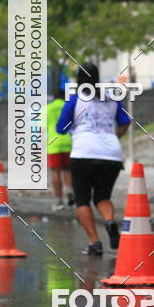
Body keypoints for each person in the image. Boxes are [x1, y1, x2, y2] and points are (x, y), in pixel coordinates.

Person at [56, 62, 131, 256]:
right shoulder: (111, 98)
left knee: (82, 200)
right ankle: (109, 221)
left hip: (83, 153)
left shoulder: (74, 99)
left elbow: (61, 128)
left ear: (79, 79)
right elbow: (125, 123)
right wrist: (113, 136)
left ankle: (94, 242)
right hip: (111, 155)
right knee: (102, 197)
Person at [46, 87, 74, 210]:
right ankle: (69, 191)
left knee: (55, 171)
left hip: (53, 143)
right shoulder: (68, 106)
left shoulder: (48, 108)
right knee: (67, 169)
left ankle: (59, 200)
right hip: (68, 141)